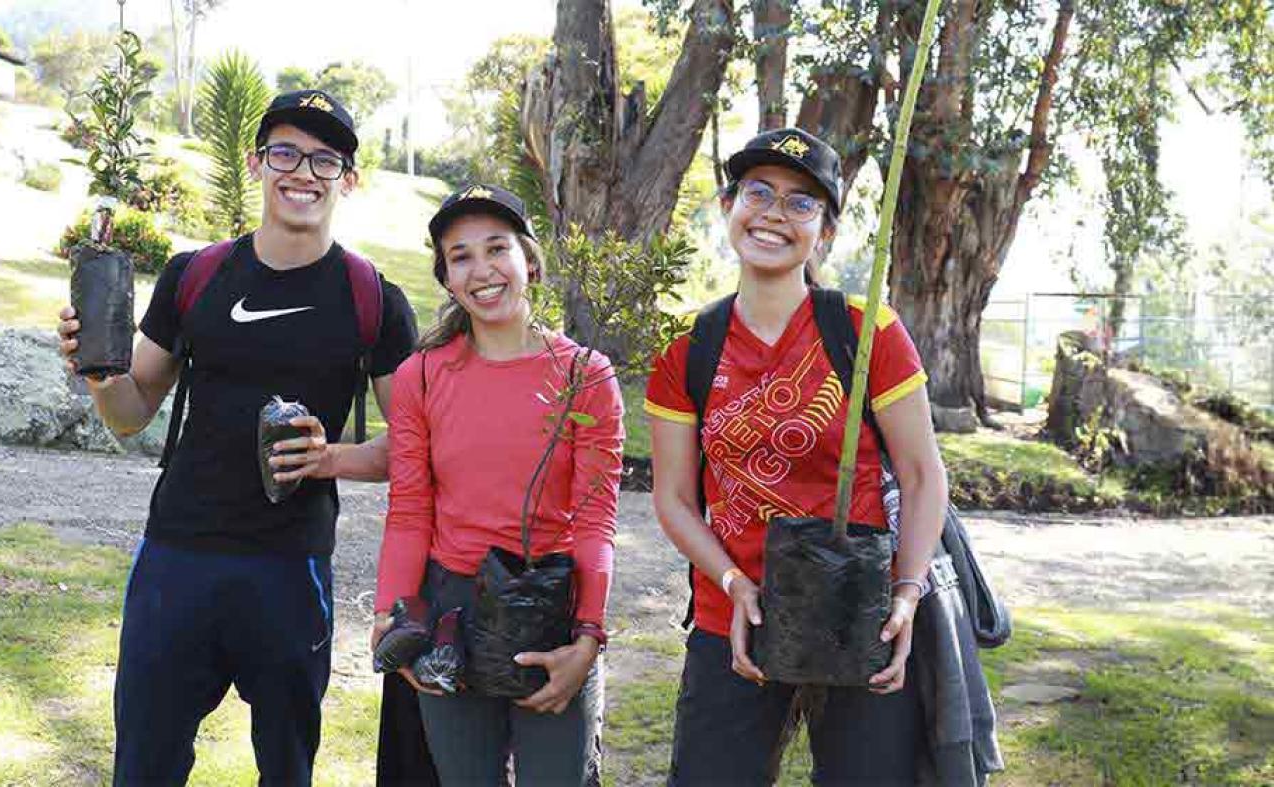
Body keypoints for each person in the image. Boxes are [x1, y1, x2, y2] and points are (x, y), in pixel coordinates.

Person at [56, 89, 418, 785]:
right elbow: (130, 412)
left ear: (348, 178)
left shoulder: (373, 296)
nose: (303, 172)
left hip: (290, 569)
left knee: (286, 770)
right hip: (177, 559)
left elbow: (414, 447)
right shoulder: (196, 274)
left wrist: (329, 457)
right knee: (143, 766)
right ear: (257, 164)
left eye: (324, 158)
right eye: (285, 152)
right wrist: (97, 368)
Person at [643, 128, 949, 786]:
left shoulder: (870, 333)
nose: (774, 214)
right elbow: (672, 497)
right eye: (759, 192)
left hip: (856, 612)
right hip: (734, 620)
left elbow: (924, 475)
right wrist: (732, 581)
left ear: (827, 234)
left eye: (801, 203)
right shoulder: (686, 350)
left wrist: (907, 591)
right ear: (728, 205)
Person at [373, 184, 624, 784]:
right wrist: (394, 614)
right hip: (451, 613)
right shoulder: (423, 376)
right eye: (461, 256)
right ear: (447, 278)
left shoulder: (586, 375)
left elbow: (594, 520)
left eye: (497, 249)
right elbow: (410, 509)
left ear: (529, 262)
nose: (482, 270)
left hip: (549, 607)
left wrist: (588, 636)